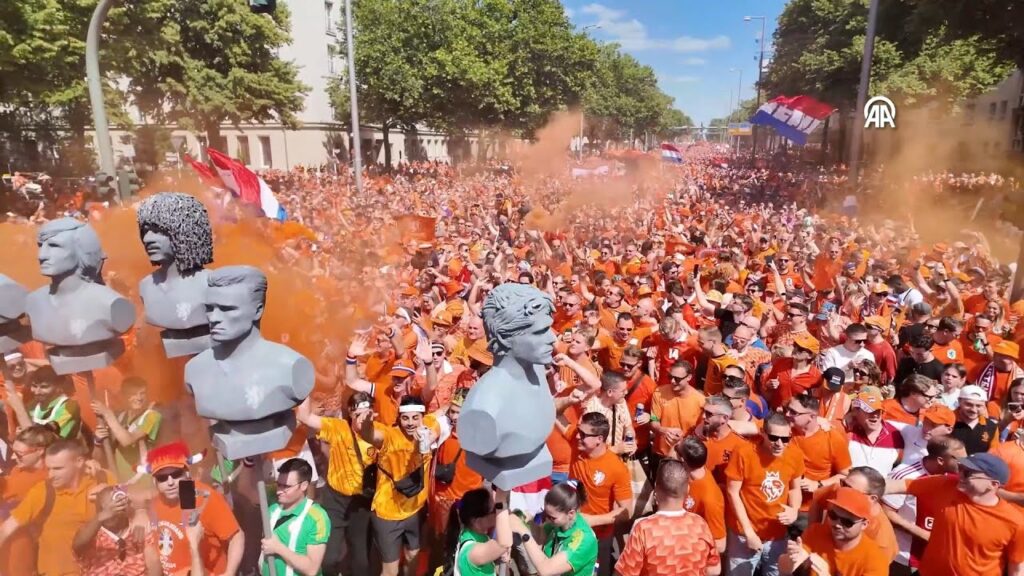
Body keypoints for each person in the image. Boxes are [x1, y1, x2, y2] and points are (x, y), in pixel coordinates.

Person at [884, 452, 1024, 576]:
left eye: (968, 473)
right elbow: (899, 485)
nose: (959, 475)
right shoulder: (946, 484)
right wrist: (871, 484)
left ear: (993, 485)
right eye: (960, 468)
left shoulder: (1015, 523)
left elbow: (1017, 569)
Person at [0, 439, 126, 576]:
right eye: (49, 469)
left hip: (104, 570)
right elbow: (6, 529)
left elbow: (135, 505)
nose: (51, 475)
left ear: (79, 462)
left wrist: (108, 493)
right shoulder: (43, 491)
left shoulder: (103, 479)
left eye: (58, 469)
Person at [355, 394, 441, 576]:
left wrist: (427, 437)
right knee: (390, 571)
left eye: (415, 418)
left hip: (415, 511)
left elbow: (439, 417)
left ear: (422, 417)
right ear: (399, 418)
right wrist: (366, 424)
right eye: (405, 418)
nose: (410, 423)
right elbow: (370, 435)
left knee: (412, 558)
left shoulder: (429, 425)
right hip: (388, 513)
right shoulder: (389, 435)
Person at [296, 392, 376, 576]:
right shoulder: (338, 428)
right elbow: (304, 416)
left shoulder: (379, 434)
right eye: (358, 415)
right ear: (350, 413)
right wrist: (304, 385)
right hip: (335, 500)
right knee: (329, 559)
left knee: (361, 562)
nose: (363, 420)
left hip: (361, 503)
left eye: (368, 415)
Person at [724, 413, 805, 576]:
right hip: (744, 533)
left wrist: (794, 510)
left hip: (777, 534)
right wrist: (748, 532)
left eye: (785, 439)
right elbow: (732, 492)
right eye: (774, 438)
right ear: (762, 433)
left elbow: (794, 488)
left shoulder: (794, 454)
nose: (780, 444)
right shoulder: (744, 452)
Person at [148, 441, 243, 576]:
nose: (170, 482)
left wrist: (230, 572)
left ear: (186, 473)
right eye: (162, 478)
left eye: (176, 474)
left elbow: (237, 536)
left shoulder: (206, 498)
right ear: (155, 481)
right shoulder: (154, 503)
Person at [614, 458, 721, 576]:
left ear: (656, 488)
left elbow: (624, 573)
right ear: (687, 489)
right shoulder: (700, 524)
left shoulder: (643, 529)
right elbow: (714, 569)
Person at [883, 437, 968, 575]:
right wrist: (924, 535)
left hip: (938, 558)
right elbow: (885, 512)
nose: (965, 465)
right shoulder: (905, 475)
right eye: (960, 461)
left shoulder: (957, 478)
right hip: (905, 557)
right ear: (941, 460)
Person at [569, 411, 632, 576]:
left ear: (599, 439)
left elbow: (626, 511)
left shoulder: (616, 468)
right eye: (578, 431)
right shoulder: (577, 446)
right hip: (572, 530)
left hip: (599, 537)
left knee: (597, 572)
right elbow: (557, 414)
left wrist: (592, 521)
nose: (577, 436)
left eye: (583, 434)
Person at [779, 487, 889, 576]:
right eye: (833, 515)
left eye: (847, 522)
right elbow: (784, 569)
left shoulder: (875, 559)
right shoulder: (816, 532)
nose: (837, 524)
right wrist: (791, 561)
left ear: (864, 524)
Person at [0, 426, 57, 576]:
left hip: (22, 540)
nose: (13, 457)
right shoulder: (19, 470)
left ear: (40, 451)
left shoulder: (47, 479)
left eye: (20, 454)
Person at [508, 481, 598, 576]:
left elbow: (545, 570)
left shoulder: (584, 540)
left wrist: (523, 532)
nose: (547, 520)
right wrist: (526, 521)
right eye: (546, 514)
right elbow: (540, 537)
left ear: (571, 514)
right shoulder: (557, 524)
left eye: (552, 517)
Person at [260, 458, 331, 576]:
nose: (279, 491)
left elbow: (312, 569)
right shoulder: (272, 510)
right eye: (279, 485)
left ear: (304, 486)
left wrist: (278, 548)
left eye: (286, 486)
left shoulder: (317, 517)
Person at [784, 393, 852, 513]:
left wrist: (818, 484)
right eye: (787, 409)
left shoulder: (832, 438)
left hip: (812, 510)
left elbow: (846, 476)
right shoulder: (782, 430)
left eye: (793, 412)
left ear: (811, 416)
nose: (787, 414)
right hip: (782, 504)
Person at [73, 485, 163, 576]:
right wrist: (101, 516)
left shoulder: (138, 529)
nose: (112, 511)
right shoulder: (92, 535)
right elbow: (78, 544)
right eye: (106, 507)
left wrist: (140, 511)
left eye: (117, 504)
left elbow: (154, 564)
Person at [91, 376, 161, 480]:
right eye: (133, 394)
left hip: (146, 479)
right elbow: (98, 459)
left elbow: (127, 440)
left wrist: (107, 413)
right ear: (124, 396)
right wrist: (98, 441)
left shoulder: (152, 416)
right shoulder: (119, 418)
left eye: (142, 393)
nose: (139, 398)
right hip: (122, 482)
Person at [438, 487, 512, 576]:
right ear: (477, 521)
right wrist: (501, 501)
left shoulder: (475, 535)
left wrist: (501, 556)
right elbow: (504, 544)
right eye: (494, 510)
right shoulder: (472, 552)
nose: (498, 513)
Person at [673, 436, 727, 553]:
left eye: (676, 449)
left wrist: (686, 543)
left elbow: (720, 545)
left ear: (682, 460)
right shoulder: (695, 471)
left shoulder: (710, 500)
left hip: (690, 554)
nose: (674, 450)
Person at [649, 360, 704, 471]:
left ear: (689, 377)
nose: (672, 381)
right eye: (670, 377)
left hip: (684, 457)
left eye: (677, 379)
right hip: (661, 453)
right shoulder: (659, 392)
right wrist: (663, 430)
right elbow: (654, 420)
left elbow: (700, 434)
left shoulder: (700, 401)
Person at [845, 389, 904, 475]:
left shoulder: (895, 435)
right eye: (869, 411)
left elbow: (900, 464)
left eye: (878, 411)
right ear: (856, 411)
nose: (875, 415)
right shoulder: (847, 431)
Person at [951, 385, 999, 454]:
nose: (973, 409)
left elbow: (993, 454)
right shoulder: (948, 420)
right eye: (969, 404)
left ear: (984, 406)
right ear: (959, 401)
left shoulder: (991, 427)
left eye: (978, 406)